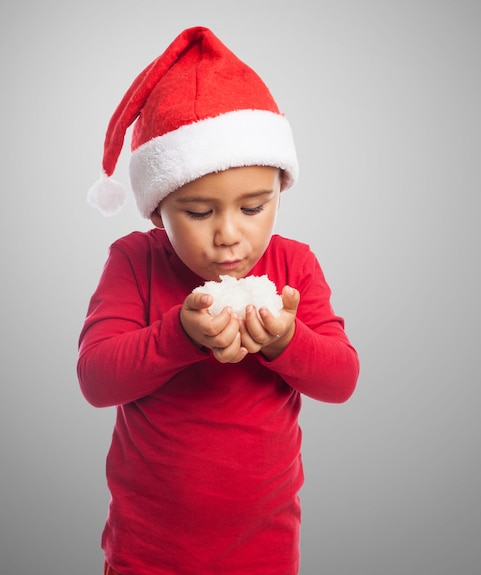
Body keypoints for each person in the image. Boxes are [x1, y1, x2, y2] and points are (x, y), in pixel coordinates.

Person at [77, 26, 359, 575]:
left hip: (264, 546)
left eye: (253, 208)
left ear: (280, 190)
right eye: (200, 213)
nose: (229, 235)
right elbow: (95, 379)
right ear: (158, 208)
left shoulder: (294, 266)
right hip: (147, 548)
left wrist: (286, 341)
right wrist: (178, 336)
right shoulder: (135, 262)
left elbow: (341, 379)